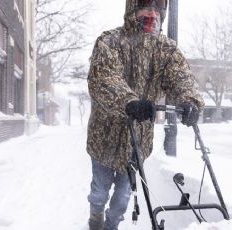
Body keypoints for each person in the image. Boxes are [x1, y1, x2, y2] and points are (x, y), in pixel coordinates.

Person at [86, 0, 204, 229]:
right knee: (100, 192)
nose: (152, 14)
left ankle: (111, 226)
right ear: (132, 9)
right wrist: (128, 101)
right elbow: (103, 79)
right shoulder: (109, 42)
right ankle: (95, 218)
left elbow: (180, 77)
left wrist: (190, 101)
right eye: (145, 7)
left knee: (121, 199)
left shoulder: (166, 50)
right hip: (104, 137)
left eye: (158, 8)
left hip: (136, 141)